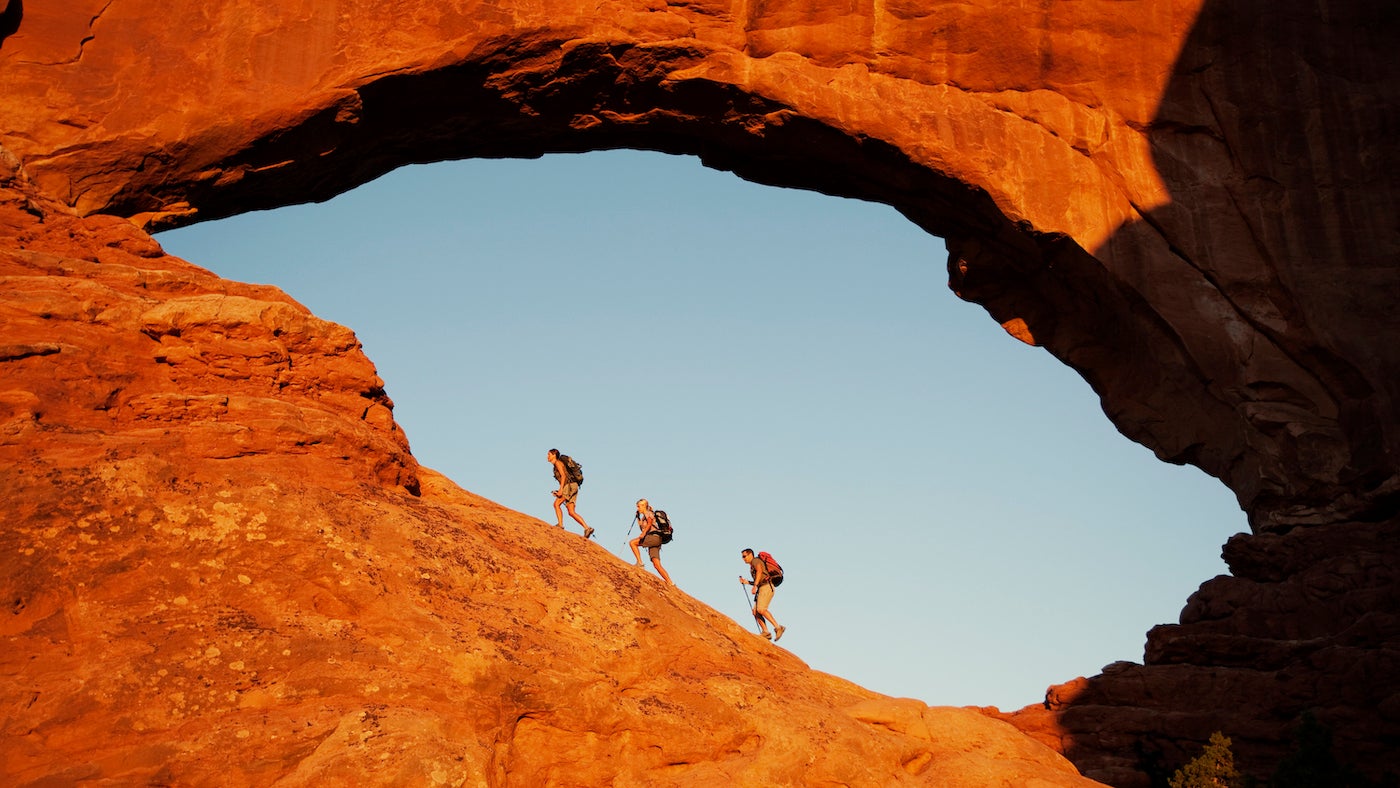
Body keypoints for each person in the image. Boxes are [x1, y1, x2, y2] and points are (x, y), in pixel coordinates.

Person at [547, 448, 593, 539]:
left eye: (549, 454)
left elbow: (563, 476)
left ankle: (560, 525)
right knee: (571, 512)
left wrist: (561, 490)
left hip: (569, 486)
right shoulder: (557, 465)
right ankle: (587, 528)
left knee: (556, 504)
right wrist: (559, 490)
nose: (547, 456)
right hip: (573, 486)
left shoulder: (557, 463)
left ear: (554, 455)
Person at [740, 548, 785, 641]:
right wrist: (747, 582)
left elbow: (760, 571)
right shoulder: (752, 565)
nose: (743, 558)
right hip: (762, 587)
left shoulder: (755, 561)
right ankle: (766, 632)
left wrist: (755, 586)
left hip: (766, 587)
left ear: (750, 555)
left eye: (744, 556)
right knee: (755, 611)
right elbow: (760, 578)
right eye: (742, 557)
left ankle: (778, 627)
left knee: (761, 609)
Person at [629, 498, 673, 585]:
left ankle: (640, 563)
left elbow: (649, 523)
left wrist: (643, 534)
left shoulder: (648, 513)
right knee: (656, 564)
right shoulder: (644, 516)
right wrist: (638, 517)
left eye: (639, 506)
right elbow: (642, 526)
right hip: (657, 539)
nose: (638, 508)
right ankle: (670, 582)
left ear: (644, 506)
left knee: (632, 543)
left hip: (653, 537)